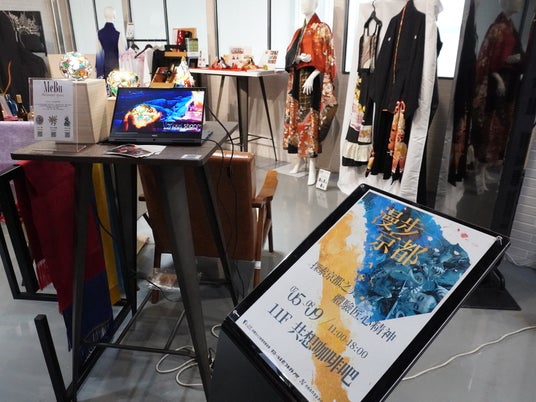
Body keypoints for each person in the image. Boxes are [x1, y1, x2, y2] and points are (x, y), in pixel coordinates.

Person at [283, 0, 337, 185]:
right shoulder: (299, 31)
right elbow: (289, 56)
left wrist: (313, 76)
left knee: (310, 121)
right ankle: (299, 161)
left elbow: (327, 57)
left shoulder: (322, 28)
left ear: (316, 4)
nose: (303, 4)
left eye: (308, 1)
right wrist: (299, 57)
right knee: (296, 120)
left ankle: (313, 166)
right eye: (302, 1)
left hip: (313, 80)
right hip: (298, 78)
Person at [96, 7, 126, 79]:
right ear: (114, 16)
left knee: (105, 84)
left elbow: (98, 53)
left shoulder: (99, 33)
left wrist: (99, 70)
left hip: (104, 65)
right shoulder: (118, 34)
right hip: (116, 65)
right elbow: (122, 53)